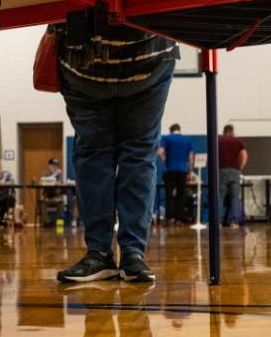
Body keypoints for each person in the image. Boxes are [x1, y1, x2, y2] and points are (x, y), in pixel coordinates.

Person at [53, 22, 178, 283]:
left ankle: (125, 252)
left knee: (123, 159)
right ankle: (109, 253)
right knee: (116, 159)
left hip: (143, 66)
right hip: (88, 68)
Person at [158, 124, 194, 224]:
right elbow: (191, 157)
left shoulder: (166, 138)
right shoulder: (187, 140)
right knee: (181, 194)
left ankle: (170, 218)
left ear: (171, 130)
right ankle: (179, 218)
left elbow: (160, 152)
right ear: (179, 129)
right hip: (182, 170)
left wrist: (165, 161)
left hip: (170, 169)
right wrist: (190, 171)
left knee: (169, 194)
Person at [218, 124, 247, 228]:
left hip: (222, 171)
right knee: (234, 197)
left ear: (224, 131)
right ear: (232, 131)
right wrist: (240, 168)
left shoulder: (219, 141)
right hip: (235, 171)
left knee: (220, 197)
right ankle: (234, 221)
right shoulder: (238, 141)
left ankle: (219, 222)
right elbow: (244, 156)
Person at [39, 157, 67, 226]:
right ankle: (46, 222)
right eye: (53, 165)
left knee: (61, 202)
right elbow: (44, 182)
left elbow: (60, 183)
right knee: (42, 201)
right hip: (47, 196)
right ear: (49, 166)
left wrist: (57, 177)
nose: (55, 167)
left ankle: (54, 221)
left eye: (56, 166)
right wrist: (54, 175)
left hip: (56, 197)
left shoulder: (60, 175)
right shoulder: (45, 174)